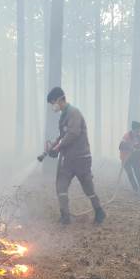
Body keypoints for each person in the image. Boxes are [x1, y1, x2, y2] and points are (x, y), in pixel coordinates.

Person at [46, 87, 106, 225]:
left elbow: (73, 134)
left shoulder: (74, 113)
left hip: (81, 158)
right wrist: (52, 147)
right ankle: (65, 216)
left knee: (88, 188)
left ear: (60, 99)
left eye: (52, 102)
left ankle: (99, 211)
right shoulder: (63, 116)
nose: (52, 106)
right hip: (68, 159)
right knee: (61, 186)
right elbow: (62, 136)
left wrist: (58, 147)